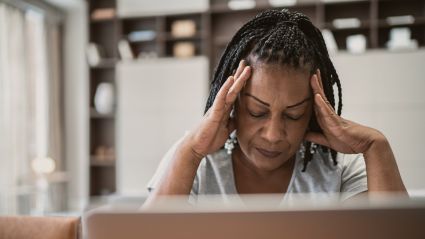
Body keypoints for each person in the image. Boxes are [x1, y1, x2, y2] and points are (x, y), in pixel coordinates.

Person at [144, 9, 406, 205]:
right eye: (257, 112)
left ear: (313, 113)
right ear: (233, 104)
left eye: (294, 115)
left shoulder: (340, 167)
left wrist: (376, 146)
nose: (273, 135)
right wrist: (190, 152)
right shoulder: (194, 160)